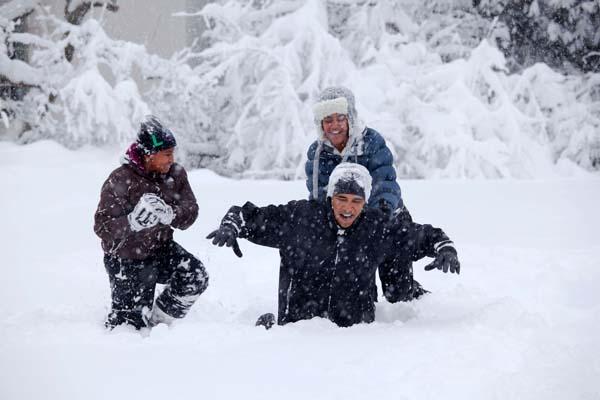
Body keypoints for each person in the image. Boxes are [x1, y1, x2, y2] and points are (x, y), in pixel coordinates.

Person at [208, 163, 459, 328]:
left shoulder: (376, 228)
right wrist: (232, 225)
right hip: (297, 333)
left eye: (356, 201)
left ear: (365, 203)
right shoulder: (302, 217)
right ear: (330, 198)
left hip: (353, 340)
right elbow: (248, 215)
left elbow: (422, 236)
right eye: (341, 199)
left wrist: (444, 247)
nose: (348, 208)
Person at [305, 86, 419, 303]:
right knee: (360, 294)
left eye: (340, 118)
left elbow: (385, 180)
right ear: (321, 124)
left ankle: (411, 291)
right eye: (328, 119)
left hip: (388, 218)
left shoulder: (371, 142)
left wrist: (380, 212)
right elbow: (319, 194)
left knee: (399, 294)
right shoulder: (317, 153)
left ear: (350, 118)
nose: (335, 125)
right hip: (349, 225)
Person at [94, 115, 208, 330]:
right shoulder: (120, 179)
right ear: (148, 154)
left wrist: (171, 214)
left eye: (172, 153)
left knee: (195, 277)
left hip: (160, 250)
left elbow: (191, 211)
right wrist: (131, 223)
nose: (171, 160)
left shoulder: (176, 175)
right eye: (166, 154)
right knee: (128, 328)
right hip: (125, 259)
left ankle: (159, 323)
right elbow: (102, 226)